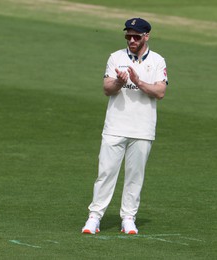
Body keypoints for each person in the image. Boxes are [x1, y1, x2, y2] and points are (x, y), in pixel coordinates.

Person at [82, 17, 168, 235]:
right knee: (106, 173)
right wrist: (120, 81)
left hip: (143, 128)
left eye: (136, 36)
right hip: (115, 126)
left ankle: (128, 218)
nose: (131, 39)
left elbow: (160, 92)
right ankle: (94, 217)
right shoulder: (116, 57)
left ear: (146, 36)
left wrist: (137, 81)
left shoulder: (157, 61)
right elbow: (106, 88)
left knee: (135, 176)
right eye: (128, 35)